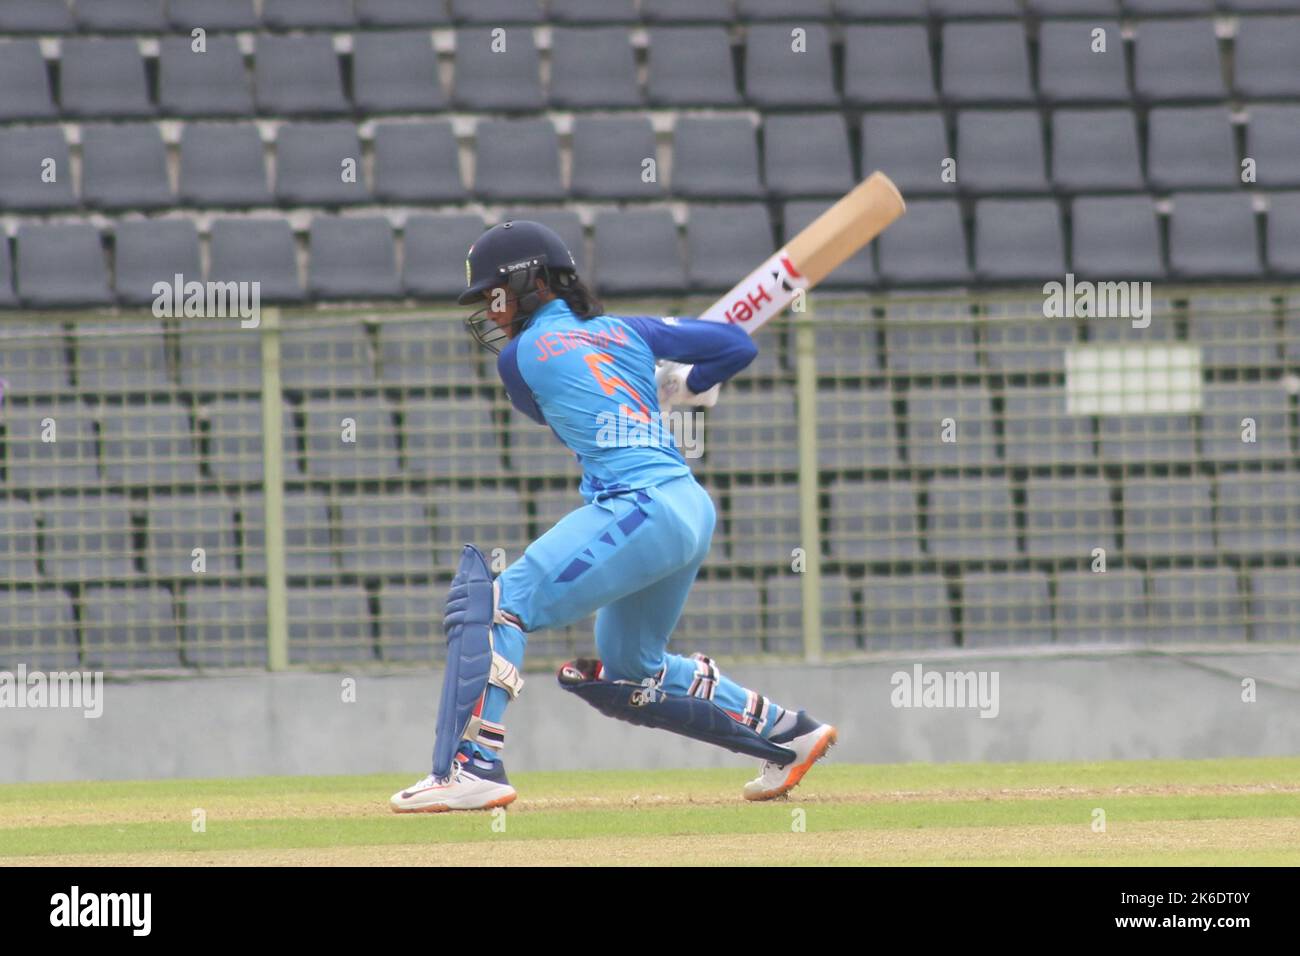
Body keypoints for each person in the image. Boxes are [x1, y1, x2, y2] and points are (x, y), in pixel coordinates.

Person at [391, 221, 836, 813]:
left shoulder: (520, 360)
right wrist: (687, 382)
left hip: (639, 504)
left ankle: (473, 767)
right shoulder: (627, 330)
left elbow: (554, 408)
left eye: (495, 295)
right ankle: (788, 732)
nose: (492, 314)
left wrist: (658, 388)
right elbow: (736, 345)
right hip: (688, 506)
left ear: (533, 282)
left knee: (500, 604)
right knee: (631, 666)